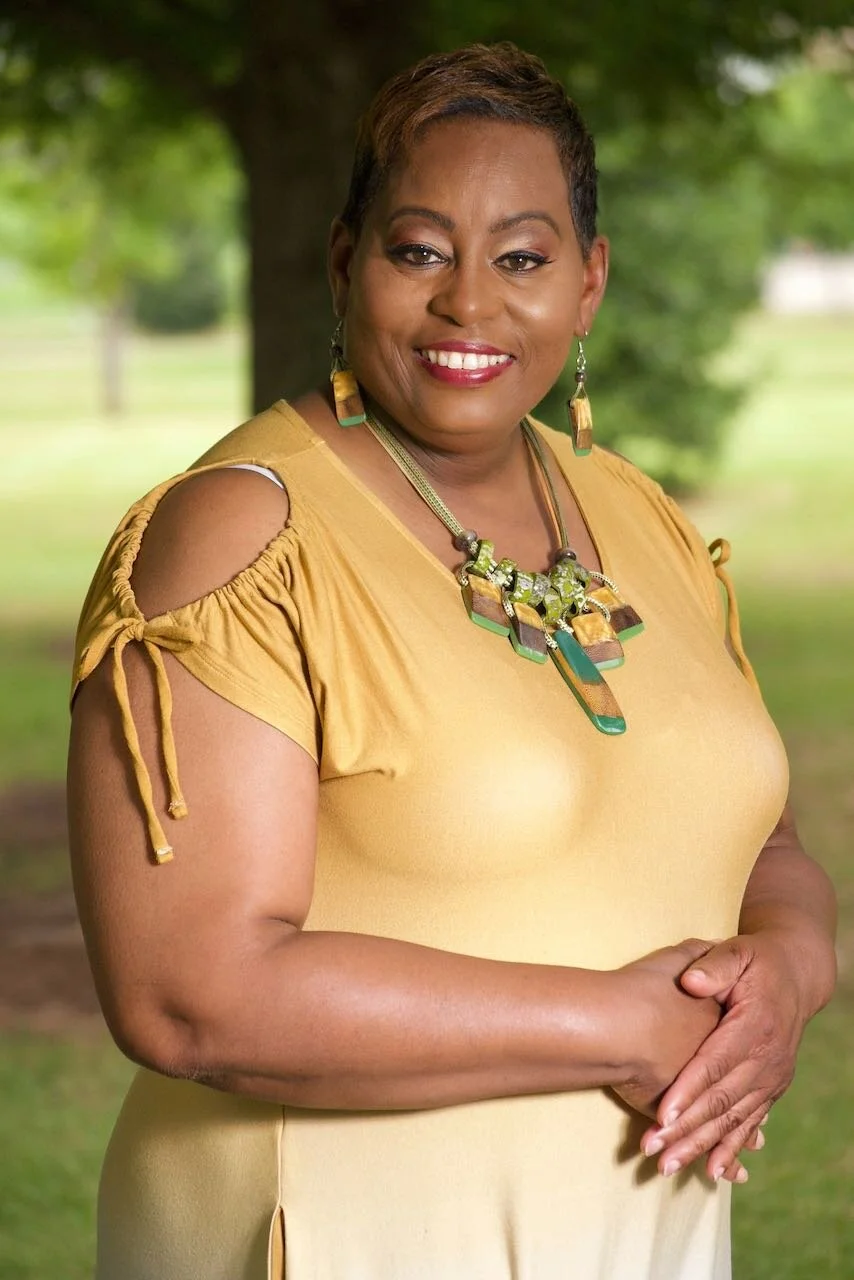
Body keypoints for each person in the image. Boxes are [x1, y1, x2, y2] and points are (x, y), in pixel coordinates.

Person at [67, 42, 836, 1280]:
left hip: (638, 1236)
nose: (467, 303)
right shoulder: (240, 532)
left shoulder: (637, 514)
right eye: (417, 249)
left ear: (588, 284)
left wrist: (789, 972)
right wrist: (621, 1027)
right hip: (337, 1235)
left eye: (521, 257)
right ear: (342, 262)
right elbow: (189, 989)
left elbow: (767, 842)